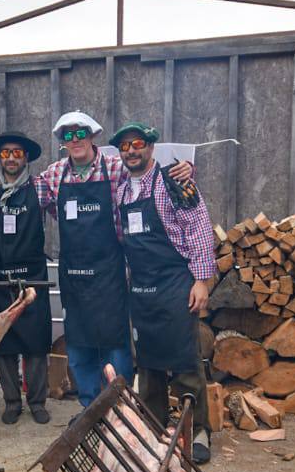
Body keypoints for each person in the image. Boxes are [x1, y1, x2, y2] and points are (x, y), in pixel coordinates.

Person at [32, 111, 193, 409]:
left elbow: (152, 169)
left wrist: (185, 167)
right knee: (79, 345)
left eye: (81, 133)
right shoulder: (54, 175)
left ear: (93, 135)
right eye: (68, 135)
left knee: (115, 343)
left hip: (110, 271)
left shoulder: (117, 166)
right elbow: (20, 194)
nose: (75, 140)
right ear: (62, 142)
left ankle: (120, 407)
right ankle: (90, 409)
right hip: (73, 274)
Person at [111, 122, 217, 462]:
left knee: (185, 362)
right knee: (150, 364)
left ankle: (197, 431)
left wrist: (201, 280)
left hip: (175, 286)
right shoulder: (123, 190)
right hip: (141, 289)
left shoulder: (173, 180)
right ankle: (153, 427)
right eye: (125, 146)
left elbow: (198, 226)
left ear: (151, 147)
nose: (131, 150)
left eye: (137, 143)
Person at [0, 131, 52, 424]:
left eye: (17, 153)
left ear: (26, 157)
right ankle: (12, 402)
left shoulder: (43, 188)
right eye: (5, 153)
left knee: (35, 341)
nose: (11, 158)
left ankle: (37, 401)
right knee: (4, 341)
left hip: (33, 273)